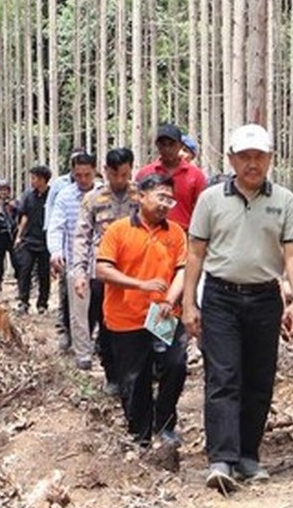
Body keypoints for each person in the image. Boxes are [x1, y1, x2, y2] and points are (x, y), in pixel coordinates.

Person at [182, 124, 293, 493]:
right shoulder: (211, 200)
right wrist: (189, 303)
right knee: (223, 377)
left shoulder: (284, 201)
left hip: (266, 299)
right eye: (245, 157)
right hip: (221, 297)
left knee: (259, 378)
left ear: (270, 159)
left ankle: (249, 457)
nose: (253, 164)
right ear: (232, 159)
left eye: (259, 157)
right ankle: (221, 458)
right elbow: (194, 253)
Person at [95, 174, 188, 447]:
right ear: (141, 197)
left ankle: (165, 423)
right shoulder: (118, 230)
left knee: (175, 365)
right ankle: (140, 435)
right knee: (135, 379)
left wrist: (170, 300)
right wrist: (140, 284)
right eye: (160, 197)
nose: (165, 204)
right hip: (126, 317)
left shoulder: (176, 233)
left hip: (163, 315)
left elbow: (182, 270)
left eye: (170, 199)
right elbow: (102, 269)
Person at [71, 148, 139, 395]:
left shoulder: (140, 196)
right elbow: (81, 237)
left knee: (136, 325)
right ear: (107, 171)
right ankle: (112, 374)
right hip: (102, 273)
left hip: (136, 273)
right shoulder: (93, 199)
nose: (120, 180)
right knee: (107, 324)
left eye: (125, 174)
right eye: (115, 174)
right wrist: (79, 272)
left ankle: (135, 374)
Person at [47, 153, 101, 364]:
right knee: (77, 310)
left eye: (87, 175)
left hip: (102, 263)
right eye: (78, 175)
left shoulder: (103, 194)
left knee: (99, 309)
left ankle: (101, 346)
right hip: (74, 262)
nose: (83, 179)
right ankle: (83, 354)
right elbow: (56, 226)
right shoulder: (65, 196)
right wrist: (55, 251)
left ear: (95, 171)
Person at [137, 122, 208, 230]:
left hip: (184, 234)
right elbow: (136, 205)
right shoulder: (145, 173)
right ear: (157, 146)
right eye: (163, 144)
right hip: (149, 233)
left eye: (171, 144)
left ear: (180, 146)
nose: (167, 149)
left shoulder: (195, 175)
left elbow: (203, 210)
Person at [13, 165, 53, 316]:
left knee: (44, 273)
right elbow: (24, 216)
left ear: (43, 179)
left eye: (34, 178)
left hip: (46, 241)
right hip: (29, 240)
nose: (32, 181)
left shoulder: (52, 195)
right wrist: (19, 237)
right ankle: (23, 302)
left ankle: (42, 303)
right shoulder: (28, 195)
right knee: (25, 270)